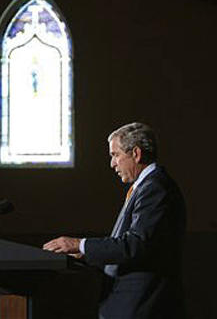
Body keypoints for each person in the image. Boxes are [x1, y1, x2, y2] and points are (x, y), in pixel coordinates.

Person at [43, 122, 186, 319]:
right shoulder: (145, 186)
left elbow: (136, 244)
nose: (112, 164)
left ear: (136, 154)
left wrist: (80, 244)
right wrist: (84, 254)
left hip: (140, 305)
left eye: (115, 155)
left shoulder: (155, 188)